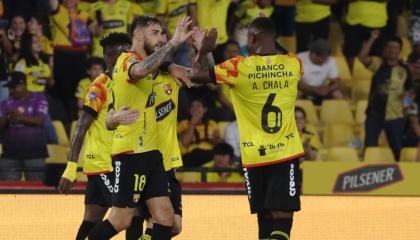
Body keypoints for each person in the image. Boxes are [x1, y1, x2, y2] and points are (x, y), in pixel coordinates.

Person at [190, 17, 304, 240]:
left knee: (264, 218)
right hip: (285, 153)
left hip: (253, 156)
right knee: (282, 217)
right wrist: (267, 34)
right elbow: (280, 50)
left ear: (252, 38)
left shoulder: (238, 67)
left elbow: (195, 75)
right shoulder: (294, 64)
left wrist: (203, 50)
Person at [86, 15, 193, 240]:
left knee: (166, 218)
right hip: (131, 153)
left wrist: (176, 61)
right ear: (137, 35)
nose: (161, 37)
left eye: (163, 32)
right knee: (121, 220)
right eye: (155, 32)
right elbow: (140, 70)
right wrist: (173, 43)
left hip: (153, 153)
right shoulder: (126, 60)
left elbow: (162, 68)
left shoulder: (157, 66)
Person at [58, 32, 142, 240]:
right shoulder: (99, 87)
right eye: (119, 54)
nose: (125, 58)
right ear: (108, 57)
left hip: (113, 161)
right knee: (132, 212)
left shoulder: (129, 82)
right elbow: (80, 128)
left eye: (127, 52)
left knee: (92, 218)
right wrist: (70, 169)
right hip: (105, 163)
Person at [359, 30, 412, 161]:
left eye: (395, 47)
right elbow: (361, 58)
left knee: (397, 149)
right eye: (389, 47)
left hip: (396, 117)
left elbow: (409, 92)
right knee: (370, 148)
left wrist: (407, 109)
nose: (392, 50)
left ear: (400, 50)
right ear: (385, 49)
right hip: (374, 115)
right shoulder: (377, 63)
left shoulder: (405, 70)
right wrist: (372, 39)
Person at [0, 72, 48, 181]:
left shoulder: (39, 98)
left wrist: (18, 117)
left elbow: (40, 120)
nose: (11, 90)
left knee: (36, 190)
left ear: (23, 85)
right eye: (9, 87)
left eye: (13, 87)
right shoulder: (5, 103)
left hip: (34, 151)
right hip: (10, 153)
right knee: (8, 191)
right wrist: (6, 119)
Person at [49, 0, 91, 123]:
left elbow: (95, 30)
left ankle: (76, 118)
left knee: (78, 88)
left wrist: (100, 22)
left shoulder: (84, 14)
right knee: (63, 90)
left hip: (80, 56)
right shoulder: (59, 10)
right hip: (62, 55)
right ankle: (66, 120)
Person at [343, 0, 388, 72]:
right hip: (354, 21)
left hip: (377, 22)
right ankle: (353, 79)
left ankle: (376, 81)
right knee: (350, 55)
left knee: (376, 59)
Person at [297, 38, 343, 105]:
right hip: (305, 90)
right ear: (313, 53)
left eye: (326, 59)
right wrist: (314, 89)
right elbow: (296, 83)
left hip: (323, 91)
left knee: (337, 94)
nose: (324, 61)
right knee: (296, 93)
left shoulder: (330, 60)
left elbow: (336, 81)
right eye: (322, 58)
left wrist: (328, 89)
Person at [178, 98, 221, 167]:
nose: (194, 108)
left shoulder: (212, 124)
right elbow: (185, 142)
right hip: (191, 155)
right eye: (192, 106)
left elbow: (218, 143)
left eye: (198, 106)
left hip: (209, 153)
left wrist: (215, 140)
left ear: (205, 110)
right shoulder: (183, 124)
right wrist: (192, 123)